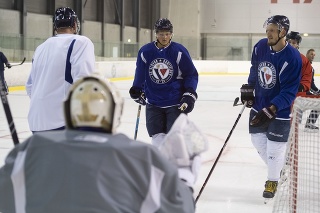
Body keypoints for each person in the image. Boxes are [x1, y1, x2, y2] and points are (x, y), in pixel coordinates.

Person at [0, 75, 207, 213]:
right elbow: (178, 208)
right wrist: (184, 178)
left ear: (69, 112)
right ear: (114, 114)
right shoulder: (142, 157)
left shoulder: (27, 153)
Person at [240, 15, 302, 200]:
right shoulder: (260, 46)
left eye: (273, 30)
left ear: (283, 32)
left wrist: (273, 108)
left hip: (280, 111)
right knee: (258, 141)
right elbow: (255, 68)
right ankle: (281, 169)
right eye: (267, 30)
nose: (269, 34)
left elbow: (290, 91)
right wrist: (250, 88)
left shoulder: (292, 57)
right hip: (259, 105)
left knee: (275, 149)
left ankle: (272, 180)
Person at [129, 18, 198, 147]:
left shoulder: (179, 51)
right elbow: (141, 73)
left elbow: (191, 74)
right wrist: (137, 89)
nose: (164, 37)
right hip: (153, 103)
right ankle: (159, 166)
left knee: (175, 141)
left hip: (175, 102)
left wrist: (189, 93)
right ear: (156, 34)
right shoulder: (145, 52)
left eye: (167, 33)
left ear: (171, 34)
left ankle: (174, 166)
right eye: (161, 34)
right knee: (157, 140)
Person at [26, 7, 95, 133]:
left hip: (36, 122)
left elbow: (30, 86)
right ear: (74, 24)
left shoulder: (40, 48)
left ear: (55, 27)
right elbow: (85, 83)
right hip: (62, 122)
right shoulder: (80, 42)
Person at [286, 31, 312, 96]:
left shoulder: (304, 60)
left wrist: (301, 87)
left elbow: (307, 77)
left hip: (298, 95)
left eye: (294, 43)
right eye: (289, 42)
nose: (291, 44)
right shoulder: (280, 57)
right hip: (282, 95)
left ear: (298, 45)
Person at [305, 48, 320, 131]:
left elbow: (312, 83)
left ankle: (309, 123)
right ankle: (309, 123)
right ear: (307, 54)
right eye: (311, 54)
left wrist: (317, 91)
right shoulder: (304, 65)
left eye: (314, 55)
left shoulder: (311, 67)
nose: (313, 56)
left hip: (306, 90)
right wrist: (317, 92)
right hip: (302, 92)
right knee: (318, 101)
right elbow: (309, 85)